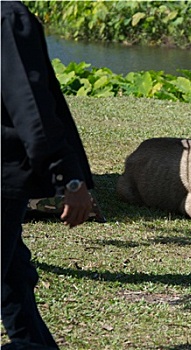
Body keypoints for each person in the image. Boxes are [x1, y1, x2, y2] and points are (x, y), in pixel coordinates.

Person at [2, 2, 95, 348]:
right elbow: (33, 110)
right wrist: (69, 179)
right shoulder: (9, 17)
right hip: (5, 179)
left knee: (15, 277)